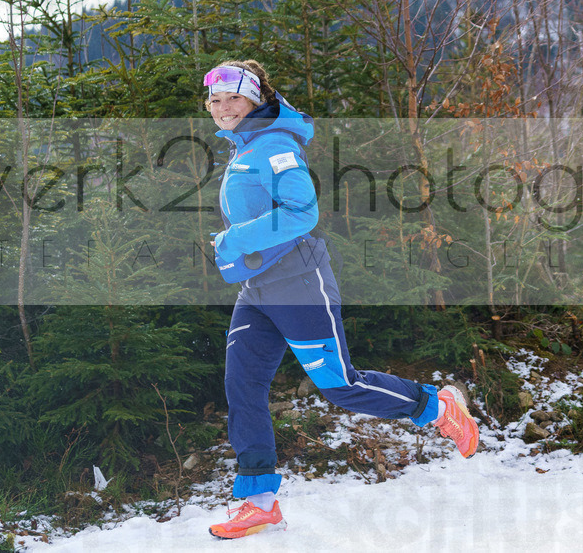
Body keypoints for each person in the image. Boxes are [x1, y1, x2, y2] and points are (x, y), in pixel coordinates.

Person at [201, 61, 479, 540]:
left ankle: (437, 406)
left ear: (255, 100)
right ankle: (259, 501)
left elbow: (301, 214)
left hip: (300, 283)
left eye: (234, 99)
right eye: (215, 100)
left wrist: (232, 241)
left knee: (338, 384)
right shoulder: (244, 147)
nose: (223, 108)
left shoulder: (276, 146)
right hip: (258, 290)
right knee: (242, 385)